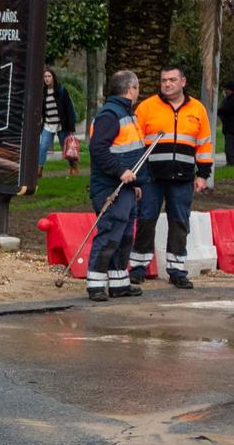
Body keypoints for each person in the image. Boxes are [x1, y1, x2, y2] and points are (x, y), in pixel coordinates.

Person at [130, 64, 214, 290]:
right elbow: (134, 142)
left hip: (183, 178)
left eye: (172, 80)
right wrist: (135, 173)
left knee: (179, 222)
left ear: (183, 82)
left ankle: (177, 270)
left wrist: (203, 174)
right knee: (146, 219)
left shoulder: (197, 109)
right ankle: (138, 268)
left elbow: (204, 144)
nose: (167, 84)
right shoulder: (147, 107)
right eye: (164, 80)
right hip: (151, 177)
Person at [87, 70, 146, 302]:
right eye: (138, 88)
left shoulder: (125, 113)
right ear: (131, 89)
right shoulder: (110, 115)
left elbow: (129, 153)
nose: (138, 92)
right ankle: (96, 284)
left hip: (126, 188)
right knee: (111, 234)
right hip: (110, 188)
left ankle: (119, 283)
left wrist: (135, 183)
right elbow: (98, 149)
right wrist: (121, 172)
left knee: (124, 237)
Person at [38, 66, 78, 169]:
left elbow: (69, 109)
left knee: (66, 147)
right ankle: (39, 169)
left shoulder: (62, 90)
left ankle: (72, 165)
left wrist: (72, 128)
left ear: (53, 77)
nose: (46, 78)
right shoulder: (42, 92)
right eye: (45, 76)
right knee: (43, 147)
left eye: (49, 76)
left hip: (61, 125)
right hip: (48, 124)